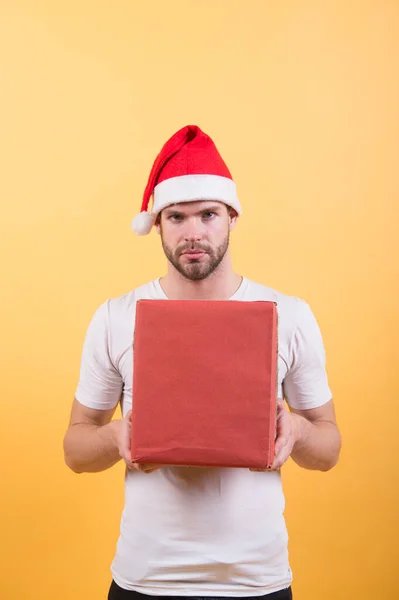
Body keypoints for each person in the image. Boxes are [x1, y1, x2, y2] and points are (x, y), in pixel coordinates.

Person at [63, 125, 341, 600]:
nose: (193, 233)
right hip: (145, 581)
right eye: (176, 217)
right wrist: (115, 437)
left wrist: (294, 431)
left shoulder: (289, 315)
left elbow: (329, 446)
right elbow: (75, 448)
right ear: (157, 223)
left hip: (257, 582)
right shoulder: (115, 318)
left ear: (232, 216)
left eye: (208, 215)